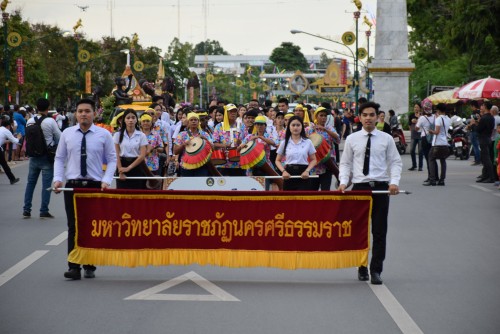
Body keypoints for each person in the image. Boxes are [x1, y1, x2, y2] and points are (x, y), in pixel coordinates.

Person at [338, 101, 402, 285]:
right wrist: (343, 182)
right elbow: (346, 163)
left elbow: (395, 162)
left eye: (371, 115)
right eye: (365, 115)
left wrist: (394, 182)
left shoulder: (386, 139)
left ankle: (376, 270)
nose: (368, 118)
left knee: (379, 231)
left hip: (381, 187)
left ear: (377, 117)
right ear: (359, 117)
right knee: (360, 231)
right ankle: (361, 266)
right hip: (360, 188)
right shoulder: (352, 139)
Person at [53, 98, 117, 280]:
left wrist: (106, 180)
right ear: (75, 113)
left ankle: (90, 263)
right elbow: (59, 158)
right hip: (73, 186)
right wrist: (58, 179)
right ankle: (73, 265)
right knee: (73, 225)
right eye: (80, 111)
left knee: (92, 225)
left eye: (87, 111)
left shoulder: (103, 135)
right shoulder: (67, 133)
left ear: (94, 113)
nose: (83, 114)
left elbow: (112, 159)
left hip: (95, 186)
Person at [22, 98, 61, 219]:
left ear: (37, 107)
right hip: (46, 156)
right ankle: (44, 210)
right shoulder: (50, 121)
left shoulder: (30, 121)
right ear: (48, 107)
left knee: (30, 183)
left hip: (33, 157)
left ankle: (26, 209)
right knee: (46, 185)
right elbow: (59, 137)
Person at [275, 116, 316, 191]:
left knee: (303, 200)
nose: (295, 127)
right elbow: (277, 160)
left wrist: (307, 171)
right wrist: (283, 171)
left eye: (298, 125)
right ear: (289, 127)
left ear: (302, 127)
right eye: (293, 125)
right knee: (289, 200)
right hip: (288, 174)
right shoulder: (284, 142)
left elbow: (314, 160)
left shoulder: (308, 142)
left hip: (304, 173)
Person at [113, 109, 148, 189]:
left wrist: (129, 168)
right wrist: (120, 170)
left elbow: (142, 155)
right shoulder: (117, 135)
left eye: (133, 117)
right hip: (122, 164)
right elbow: (116, 154)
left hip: (137, 166)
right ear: (124, 120)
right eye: (128, 118)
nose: (131, 120)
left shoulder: (141, 135)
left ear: (136, 120)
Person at [307, 107, 340, 191]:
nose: (323, 118)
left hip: (327, 164)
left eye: (325, 116)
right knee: (312, 191)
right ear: (316, 117)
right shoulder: (310, 129)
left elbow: (338, 139)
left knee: (325, 190)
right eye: (321, 115)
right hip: (314, 166)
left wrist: (326, 130)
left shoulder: (330, 128)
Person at [174, 112, 214, 176]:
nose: (193, 122)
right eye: (191, 120)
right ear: (188, 122)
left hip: (201, 165)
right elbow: (175, 151)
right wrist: (184, 145)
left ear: (198, 122)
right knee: (188, 185)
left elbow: (213, 148)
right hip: (186, 166)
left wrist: (205, 139)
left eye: (195, 120)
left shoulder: (204, 134)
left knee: (201, 185)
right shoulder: (182, 134)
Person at [423, 103, 451, 186]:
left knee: (431, 159)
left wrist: (431, 131)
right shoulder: (448, 119)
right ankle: (442, 180)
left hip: (437, 143)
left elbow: (437, 132)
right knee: (443, 160)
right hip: (445, 143)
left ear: (438, 110)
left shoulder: (439, 119)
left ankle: (432, 180)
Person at [416, 100, 436, 183]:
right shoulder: (435, 116)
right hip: (433, 139)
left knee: (428, 159)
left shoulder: (422, 118)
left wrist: (418, 121)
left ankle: (430, 177)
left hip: (425, 139)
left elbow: (416, 128)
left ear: (424, 109)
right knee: (433, 158)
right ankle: (435, 176)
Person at [475, 102, 495, 183]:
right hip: (488, 138)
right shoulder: (491, 117)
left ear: (485, 107)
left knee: (486, 159)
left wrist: (474, 124)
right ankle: (485, 176)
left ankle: (491, 177)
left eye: (482, 105)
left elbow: (478, 129)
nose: (481, 107)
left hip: (483, 139)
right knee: (486, 158)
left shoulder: (484, 118)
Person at [0, 115, 21, 184]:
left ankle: (12, 179)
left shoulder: (1, 129)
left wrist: (10, 140)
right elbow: (16, 141)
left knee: (4, 164)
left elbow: (2, 140)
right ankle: (12, 179)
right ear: (8, 126)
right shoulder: (6, 131)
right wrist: (18, 137)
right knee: (4, 165)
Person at [408, 103, 423, 171]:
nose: (416, 108)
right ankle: (414, 165)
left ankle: (420, 166)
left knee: (420, 151)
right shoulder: (411, 115)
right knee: (411, 150)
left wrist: (417, 120)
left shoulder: (422, 116)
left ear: (420, 108)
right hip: (413, 135)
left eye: (417, 107)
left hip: (421, 135)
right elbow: (409, 124)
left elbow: (423, 124)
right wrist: (411, 129)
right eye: (415, 107)